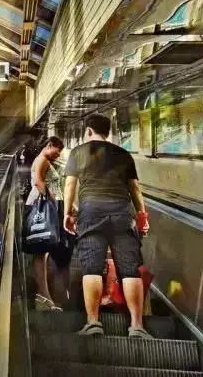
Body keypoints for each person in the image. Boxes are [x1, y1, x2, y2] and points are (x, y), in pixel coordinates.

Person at [63, 114, 152, 338]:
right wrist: (142, 216)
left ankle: (93, 322)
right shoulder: (123, 154)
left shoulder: (78, 152)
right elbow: (135, 188)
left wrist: (67, 213)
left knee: (92, 268)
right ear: (108, 132)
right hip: (122, 213)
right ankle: (137, 326)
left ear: (88, 131)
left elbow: (70, 184)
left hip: (91, 212)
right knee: (130, 270)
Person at [25, 136, 73, 311]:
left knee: (43, 253)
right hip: (43, 209)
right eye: (57, 151)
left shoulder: (44, 160)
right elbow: (38, 182)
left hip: (43, 207)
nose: (58, 155)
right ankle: (43, 296)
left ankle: (44, 296)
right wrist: (53, 202)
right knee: (41, 253)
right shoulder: (42, 160)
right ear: (49, 145)